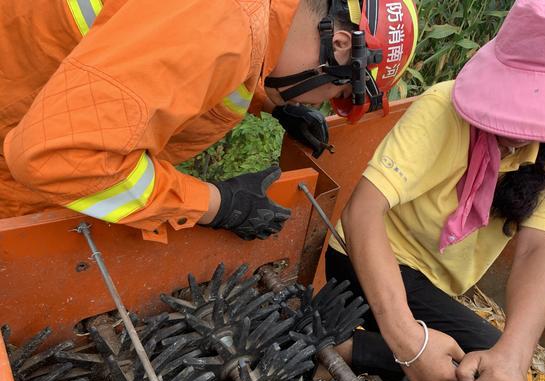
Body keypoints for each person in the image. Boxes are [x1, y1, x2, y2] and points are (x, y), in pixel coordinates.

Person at [325, 0, 545, 381]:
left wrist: (514, 355)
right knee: (472, 361)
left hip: (433, 283)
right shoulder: (442, 109)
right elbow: (363, 211)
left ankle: (368, 349)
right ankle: (346, 350)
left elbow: (539, 249)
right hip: (366, 258)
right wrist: (406, 339)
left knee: (494, 367)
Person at [0, 0, 417, 242]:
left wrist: (273, 104)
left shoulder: (252, 16)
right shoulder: (225, 24)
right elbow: (59, 161)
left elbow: (176, 58)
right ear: (339, 47)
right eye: (339, 96)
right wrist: (216, 204)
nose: (324, 104)